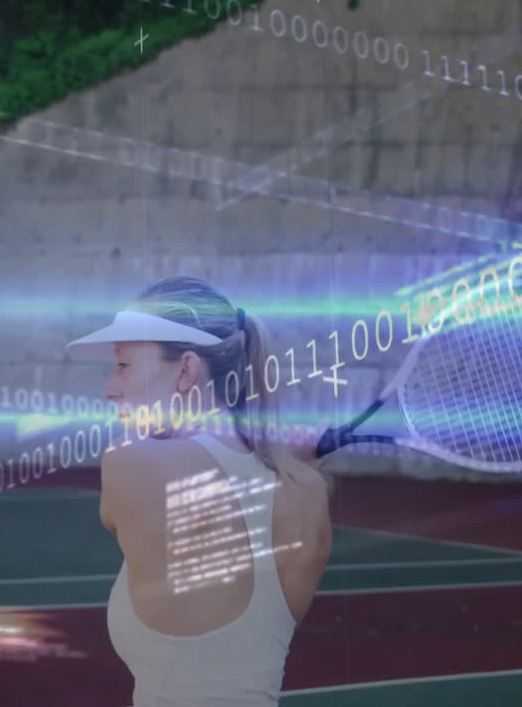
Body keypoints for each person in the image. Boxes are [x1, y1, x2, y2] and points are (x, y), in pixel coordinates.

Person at [65, 276, 332, 707]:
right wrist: (283, 455)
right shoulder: (307, 492)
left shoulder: (131, 463)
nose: (109, 388)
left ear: (187, 369)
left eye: (124, 364)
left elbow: (118, 514)